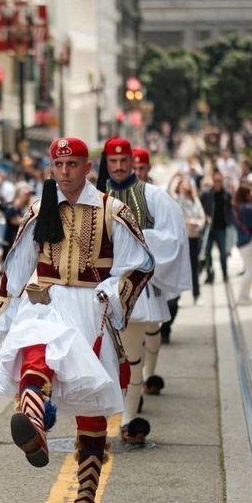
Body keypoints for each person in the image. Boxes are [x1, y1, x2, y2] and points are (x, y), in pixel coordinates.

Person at [0, 137, 154, 503]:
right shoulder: (38, 208)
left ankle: (85, 497)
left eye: (73, 165)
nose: (65, 172)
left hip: (89, 305)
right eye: (59, 165)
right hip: (45, 298)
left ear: (86, 167)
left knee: (91, 405)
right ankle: (32, 418)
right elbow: (17, 265)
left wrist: (112, 297)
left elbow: (141, 264)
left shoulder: (111, 210)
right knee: (38, 351)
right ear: (51, 168)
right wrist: (4, 311)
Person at [102, 138, 190, 442]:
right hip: (98, 291)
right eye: (113, 161)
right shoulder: (93, 196)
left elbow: (171, 239)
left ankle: (128, 418)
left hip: (136, 289)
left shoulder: (154, 197)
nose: (119, 166)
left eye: (123, 160)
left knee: (131, 355)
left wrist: (135, 242)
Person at [171, 175, 206, 304]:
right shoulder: (175, 200)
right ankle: (177, 296)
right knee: (180, 268)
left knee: (194, 267)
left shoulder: (194, 200)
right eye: (183, 184)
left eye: (187, 184)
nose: (185, 187)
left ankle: (196, 295)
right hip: (181, 239)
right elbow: (174, 216)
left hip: (193, 237)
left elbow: (202, 216)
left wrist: (197, 224)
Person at [199, 170, 233, 284]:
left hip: (221, 228)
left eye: (220, 181)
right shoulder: (206, 194)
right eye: (216, 180)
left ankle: (225, 274)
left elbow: (230, 210)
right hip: (209, 228)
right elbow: (199, 208)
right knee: (207, 253)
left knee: (223, 253)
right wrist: (205, 217)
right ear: (213, 181)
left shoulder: (226, 195)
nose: (218, 183)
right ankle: (210, 275)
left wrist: (229, 223)